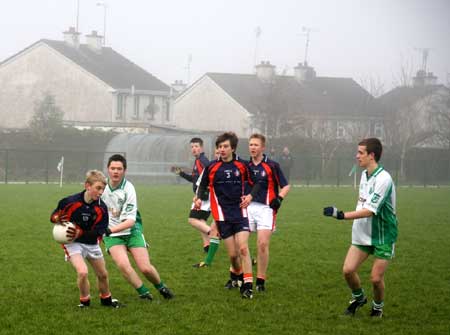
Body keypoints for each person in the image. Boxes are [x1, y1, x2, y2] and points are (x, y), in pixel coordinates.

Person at [323, 138, 398, 318]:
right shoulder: (365, 175)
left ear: (372, 155)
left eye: (360, 153)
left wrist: (340, 215)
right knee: (348, 270)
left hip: (383, 235)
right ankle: (359, 298)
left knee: (375, 278)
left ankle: (377, 308)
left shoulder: (384, 179)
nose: (356, 156)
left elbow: (369, 211)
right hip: (362, 232)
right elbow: (362, 204)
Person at [195, 132, 259, 299]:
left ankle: (247, 286)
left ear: (233, 148)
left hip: (241, 213)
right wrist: (198, 198)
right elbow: (202, 185)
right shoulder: (212, 167)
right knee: (233, 256)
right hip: (223, 216)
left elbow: (257, 183)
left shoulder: (243, 165)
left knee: (243, 249)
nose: (222, 149)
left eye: (225, 146)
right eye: (219, 147)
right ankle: (237, 276)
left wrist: (250, 196)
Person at [102, 154, 174, 301]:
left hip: (131, 231)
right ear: (108, 169)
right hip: (112, 236)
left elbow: (130, 221)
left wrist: (108, 230)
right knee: (123, 265)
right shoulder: (101, 187)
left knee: (145, 268)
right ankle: (144, 293)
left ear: (124, 171)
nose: (116, 172)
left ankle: (161, 287)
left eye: (119, 169)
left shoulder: (128, 188)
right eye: (113, 168)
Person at [50, 170, 121, 308]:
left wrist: (80, 233)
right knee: (82, 272)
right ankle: (84, 302)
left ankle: (106, 300)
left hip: (91, 243)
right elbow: (54, 216)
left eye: (103, 189)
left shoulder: (101, 208)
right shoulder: (70, 202)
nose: (101, 192)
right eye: (98, 188)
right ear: (87, 186)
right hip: (72, 243)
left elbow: (99, 232)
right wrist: (57, 218)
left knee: (103, 274)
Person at [247, 134, 290, 292]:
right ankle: (237, 276)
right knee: (240, 245)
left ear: (263, 147)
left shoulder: (272, 165)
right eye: (251, 144)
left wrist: (279, 198)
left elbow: (285, 186)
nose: (253, 147)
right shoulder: (245, 166)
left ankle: (260, 280)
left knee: (262, 245)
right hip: (248, 207)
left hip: (266, 209)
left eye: (256, 145)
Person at [171, 137, 219, 261]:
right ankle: (207, 246)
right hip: (203, 195)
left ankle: (214, 234)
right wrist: (180, 173)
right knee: (200, 221)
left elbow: (209, 176)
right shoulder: (198, 161)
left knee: (192, 220)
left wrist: (200, 195)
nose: (194, 149)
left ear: (201, 148)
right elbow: (194, 179)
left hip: (203, 196)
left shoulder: (202, 160)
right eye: (192, 146)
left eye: (196, 146)